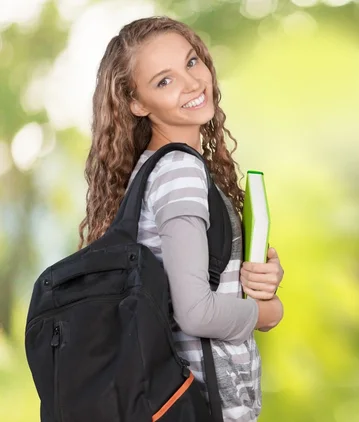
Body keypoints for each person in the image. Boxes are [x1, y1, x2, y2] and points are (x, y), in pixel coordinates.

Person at [77, 16, 285, 422]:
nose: (192, 83)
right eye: (164, 81)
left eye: (191, 63)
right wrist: (268, 312)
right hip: (204, 405)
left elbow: (190, 287)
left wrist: (254, 279)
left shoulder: (150, 170)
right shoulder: (179, 173)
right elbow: (195, 313)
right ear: (136, 103)